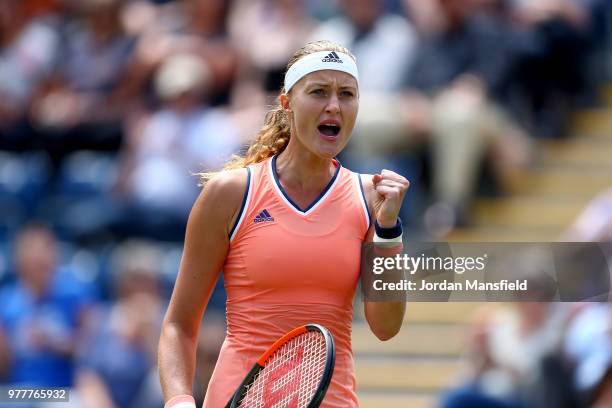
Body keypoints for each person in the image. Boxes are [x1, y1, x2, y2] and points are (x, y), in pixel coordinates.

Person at [158, 40, 410, 407]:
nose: (334, 106)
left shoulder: (372, 198)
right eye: (319, 92)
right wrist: (179, 401)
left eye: (347, 94)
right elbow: (178, 325)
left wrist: (388, 231)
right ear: (287, 104)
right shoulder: (230, 193)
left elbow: (386, 327)